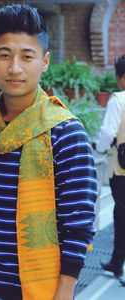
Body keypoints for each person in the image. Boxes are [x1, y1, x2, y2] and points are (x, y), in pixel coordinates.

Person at [0, 4, 97, 300]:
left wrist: (65, 289)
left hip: (43, 288)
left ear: (44, 62)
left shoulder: (66, 132)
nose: (15, 67)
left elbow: (79, 221)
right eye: (5, 55)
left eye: (27, 56)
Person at [96, 55, 125, 286]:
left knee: (122, 215)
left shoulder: (118, 100)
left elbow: (107, 133)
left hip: (121, 169)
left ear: (121, 77)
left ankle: (118, 263)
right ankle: (117, 261)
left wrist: (102, 149)